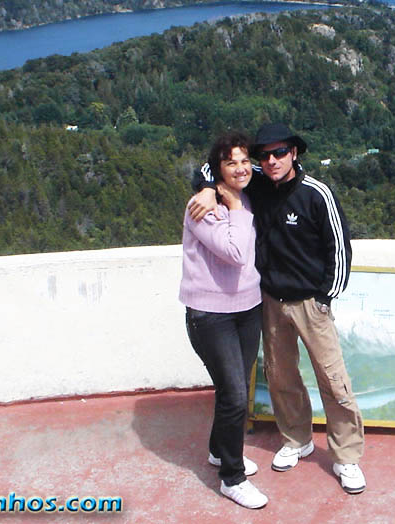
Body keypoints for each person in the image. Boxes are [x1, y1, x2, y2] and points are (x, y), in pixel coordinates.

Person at [190, 122, 366, 494]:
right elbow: (212, 166)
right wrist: (207, 189)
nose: (271, 160)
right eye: (265, 154)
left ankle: (346, 457)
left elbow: (340, 249)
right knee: (282, 377)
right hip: (269, 301)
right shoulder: (256, 180)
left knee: (333, 380)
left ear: (294, 153)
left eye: (279, 152)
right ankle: (296, 439)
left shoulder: (316, 194)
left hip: (309, 304)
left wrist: (324, 298)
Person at [179, 131, 267, 510]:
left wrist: (218, 190)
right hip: (210, 316)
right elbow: (233, 251)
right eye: (231, 162)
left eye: (245, 160)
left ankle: (219, 450)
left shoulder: (243, 192)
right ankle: (232, 478)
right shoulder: (203, 208)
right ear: (217, 169)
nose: (241, 168)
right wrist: (220, 198)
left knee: (233, 390)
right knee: (233, 395)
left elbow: (282, 169)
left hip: (247, 309)